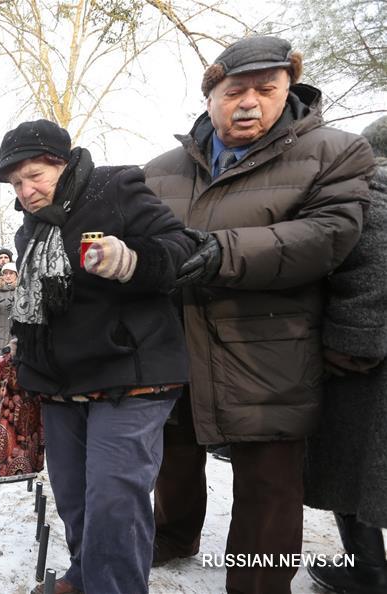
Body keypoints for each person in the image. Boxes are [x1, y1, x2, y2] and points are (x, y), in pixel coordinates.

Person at [143, 36, 375, 594]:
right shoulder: (159, 170)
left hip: (269, 347)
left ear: (288, 89)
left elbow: (328, 236)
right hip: (174, 340)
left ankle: (258, 585)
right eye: (234, 91)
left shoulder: (335, 153)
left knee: (268, 482)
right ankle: (172, 536)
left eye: (266, 89)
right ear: (209, 97)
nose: (249, 103)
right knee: (173, 455)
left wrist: (220, 250)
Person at [0, 119, 193, 594]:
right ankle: (87, 576)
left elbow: (182, 247)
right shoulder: (31, 230)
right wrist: (22, 349)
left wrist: (132, 260)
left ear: (62, 164)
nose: (26, 190)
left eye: (35, 175)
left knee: (113, 500)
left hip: (129, 373)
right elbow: (39, 305)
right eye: (17, 183)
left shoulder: (115, 188)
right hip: (61, 382)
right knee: (76, 499)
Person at [303, 115, 387, 593]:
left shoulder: (372, 187)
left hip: (367, 363)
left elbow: (372, 266)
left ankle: (368, 572)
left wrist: (350, 346)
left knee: (355, 467)